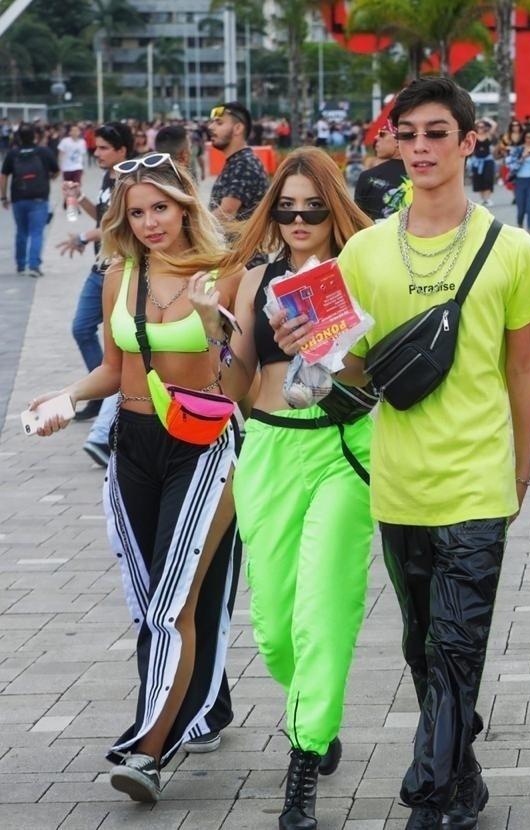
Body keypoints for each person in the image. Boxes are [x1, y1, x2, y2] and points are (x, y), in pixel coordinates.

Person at [273, 76, 530, 830]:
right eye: (409, 135)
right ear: (393, 145)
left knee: (458, 643)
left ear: (470, 141)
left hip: (478, 477)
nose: (422, 148)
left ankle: (430, 792)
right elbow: (351, 368)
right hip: (398, 481)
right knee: (421, 644)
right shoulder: (365, 252)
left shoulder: (512, 248)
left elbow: (523, 365)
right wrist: (310, 349)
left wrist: (523, 465)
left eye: (438, 133)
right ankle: (463, 781)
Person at [27, 152, 244, 801]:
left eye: (161, 208)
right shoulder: (120, 273)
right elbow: (112, 367)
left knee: (170, 602)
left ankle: (147, 751)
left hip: (202, 447)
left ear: (184, 207)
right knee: (152, 598)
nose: (150, 221)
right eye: (137, 211)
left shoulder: (221, 273)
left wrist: (211, 328)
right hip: (133, 445)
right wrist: (64, 400)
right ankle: (200, 702)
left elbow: (237, 387)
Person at [217, 148, 374, 830]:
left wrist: (328, 341)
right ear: (272, 210)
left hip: (342, 450)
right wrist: (211, 340)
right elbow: (235, 385)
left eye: (314, 205)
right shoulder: (256, 280)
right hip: (271, 449)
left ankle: (303, 761)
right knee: (275, 628)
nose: (301, 217)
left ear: (333, 207)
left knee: (322, 614)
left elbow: (372, 378)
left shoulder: (360, 273)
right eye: (288, 206)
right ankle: (316, 711)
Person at [56, 121, 132, 450]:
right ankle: (102, 390)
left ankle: (108, 398)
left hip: (118, 269)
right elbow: (102, 218)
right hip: (100, 266)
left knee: (117, 339)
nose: (96, 152)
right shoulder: (107, 177)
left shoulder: (131, 181)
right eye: (96, 147)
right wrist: (80, 197)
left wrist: (83, 237)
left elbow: (121, 224)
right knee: (81, 328)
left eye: (103, 148)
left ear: (122, 150)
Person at [0, 123, 59, 277]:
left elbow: (4, 175)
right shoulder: (43, 152)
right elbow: (56, 170)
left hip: (18, 198)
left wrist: (3, 197)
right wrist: (49, 178)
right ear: (35, 136)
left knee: (21, 232)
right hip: (39, 198)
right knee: (37, 232)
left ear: (18, 137)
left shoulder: (13, 154)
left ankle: (20, 265)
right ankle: (34, 265)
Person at [209, 101, 269, 223]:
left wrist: (191, 227)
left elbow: (226, 213)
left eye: (219, 123)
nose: (211, 127)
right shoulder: (239, 161)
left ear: (238, 128)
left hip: (239, 242)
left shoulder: (244, 164)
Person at [354, 119, 407, 221]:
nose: (376, 137)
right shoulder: (426, 175)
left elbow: (358, 222)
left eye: (382, 134)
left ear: (398, 140)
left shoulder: (368, 177)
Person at [505, 128, 530, 231]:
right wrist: (523, 158)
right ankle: (520, 226)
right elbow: (511, 166)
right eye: (527, 137)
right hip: (520, 181)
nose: (529, 139)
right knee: (521, 209)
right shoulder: (518, 149)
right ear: (524, 138)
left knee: (529, 208)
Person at [470, 119, 496, 206]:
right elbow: (470, 125)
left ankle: (487, 198)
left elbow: (494, 125)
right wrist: (476, 121)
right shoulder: (474, 136)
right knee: (479, 179)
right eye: (479, 126)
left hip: (487, 160)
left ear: (485, 127)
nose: (480, 128)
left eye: (482, 126)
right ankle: (482, 199)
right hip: (477, 161)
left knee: (488, 179)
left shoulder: (488, 135)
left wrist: (484, 119)